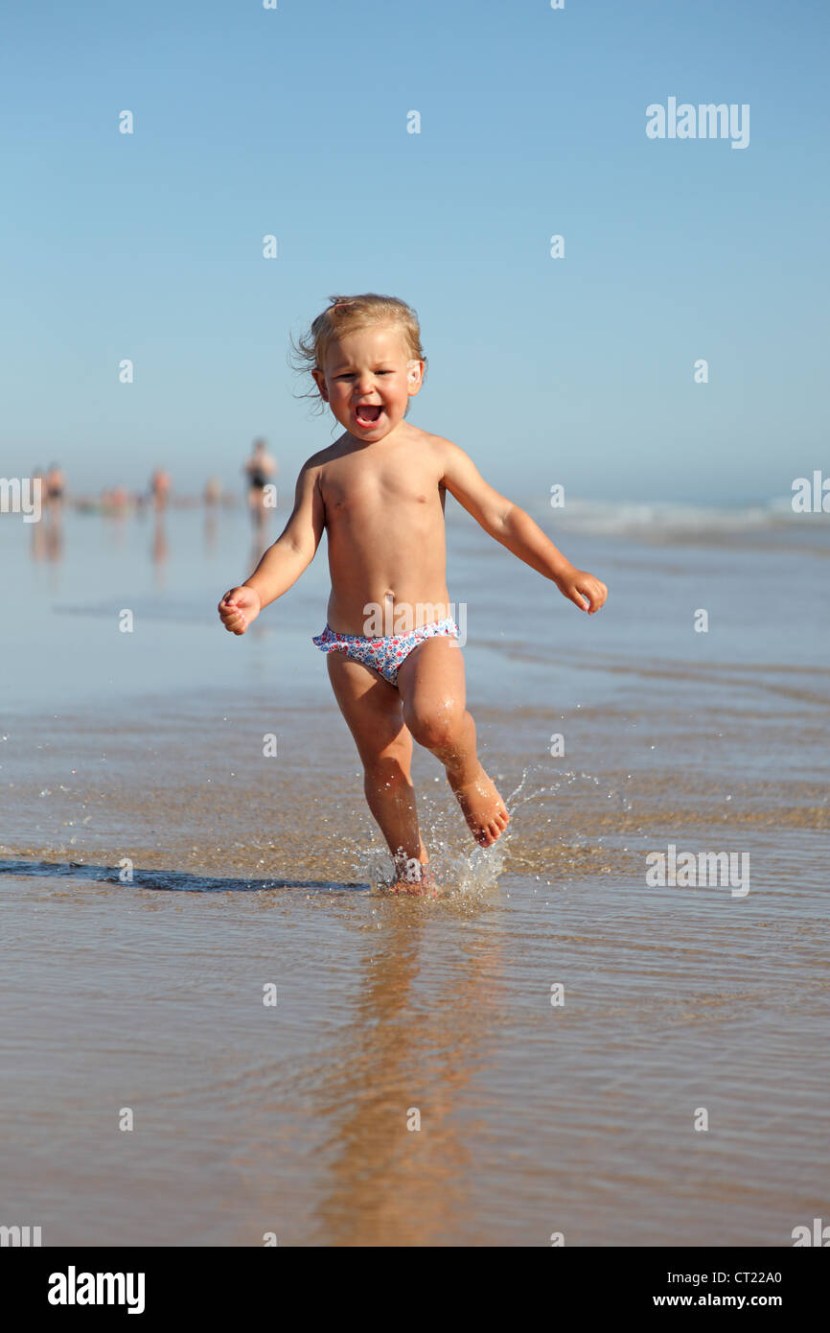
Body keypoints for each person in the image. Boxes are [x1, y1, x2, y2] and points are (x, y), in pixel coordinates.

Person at [218, 294, 607, 892]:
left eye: (381, 372)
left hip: (425, 632)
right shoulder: (321, 471)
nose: (365, 387)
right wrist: (254, 593)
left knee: (436, 720)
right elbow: (296, 546)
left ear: (416, 376)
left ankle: (468, 774)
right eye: (346, 375)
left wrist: (562, 571)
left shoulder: (435, 455)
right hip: (353, 645)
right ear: (323, 386)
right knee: (384, 763)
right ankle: (411, 868)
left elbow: (501, 516)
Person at [244, 438, 277, 523]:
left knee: (264, 510)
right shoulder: (251, 458)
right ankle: (256, 529)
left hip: (266, 485)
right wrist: (254, 466)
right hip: (254, 485)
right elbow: (245, 470)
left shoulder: (268, 458)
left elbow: (273, 471)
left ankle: (263, 531)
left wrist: (263, 467)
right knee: (253, 508)